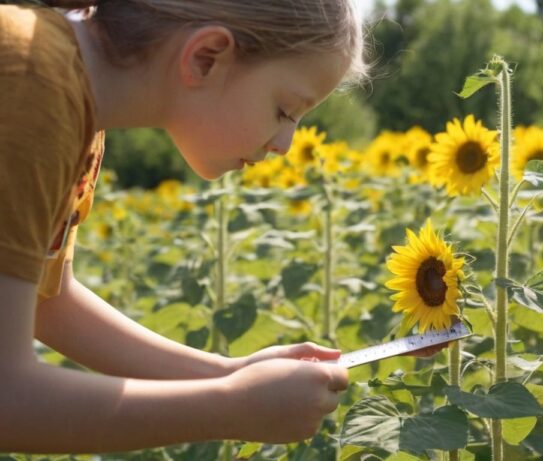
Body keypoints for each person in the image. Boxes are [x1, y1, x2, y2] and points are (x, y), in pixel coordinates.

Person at [0, 0, 367, 454]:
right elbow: (7, 397)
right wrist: (232, 406)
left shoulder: (71, 99)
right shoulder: (31, 84)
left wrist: (228, 372)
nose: (285, 145)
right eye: (286, 111)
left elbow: (47, 299)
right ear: (205, 57)